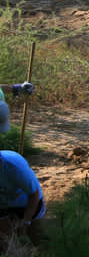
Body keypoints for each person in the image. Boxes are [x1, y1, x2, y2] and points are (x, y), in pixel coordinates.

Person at [0, 89, 45, 240]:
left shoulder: (14, 166)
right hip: (3, 204)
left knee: (32, 237)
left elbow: (34, 195)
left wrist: (26, 222)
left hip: (25, 203)